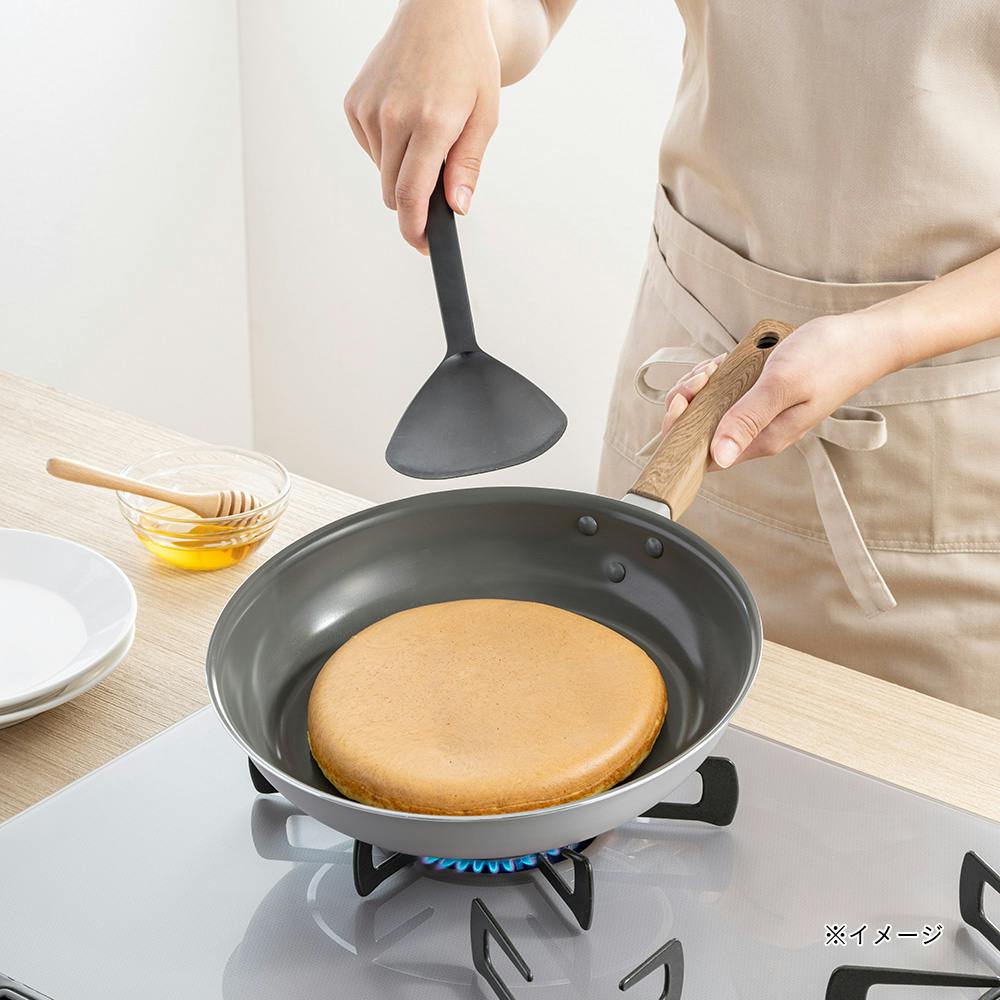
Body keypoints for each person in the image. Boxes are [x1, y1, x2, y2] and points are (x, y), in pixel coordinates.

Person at [345, 0, 1000, 718]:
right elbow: (530, 15)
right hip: (685, 402)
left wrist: (882, 337)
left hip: (934, 468)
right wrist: (450, 18)